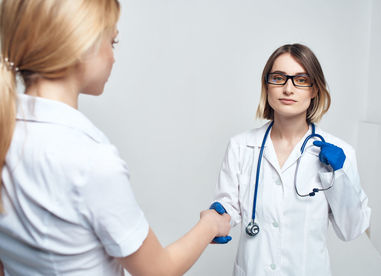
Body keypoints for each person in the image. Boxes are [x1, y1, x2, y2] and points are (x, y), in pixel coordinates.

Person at [0, 1, 230, 275]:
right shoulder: (90, 160)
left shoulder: (8, 133)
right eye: (113, 42)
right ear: (80, 46)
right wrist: (211, 225)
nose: (113, 57)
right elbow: (159, 271)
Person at [213, 43, 371, 275]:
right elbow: (227, 210)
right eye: (278, 78)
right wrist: (215, 220)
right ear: (267, 86)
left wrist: (339, 177)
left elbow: (352, 229)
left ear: (315, 89)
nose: (288, 89)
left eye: (301, 79)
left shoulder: (339, 153)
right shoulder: (240, 146)